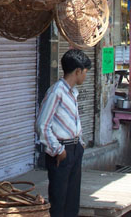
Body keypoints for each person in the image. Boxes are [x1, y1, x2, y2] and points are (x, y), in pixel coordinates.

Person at [36, 49, 91, 217]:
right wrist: (58, 150)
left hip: (74, 149)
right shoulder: (56, 92)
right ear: (78, 71)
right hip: (62, 151)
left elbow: (73, 122)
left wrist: (79, 143)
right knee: (59, 200)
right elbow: (42, 124)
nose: (85, 76)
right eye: (85, 72)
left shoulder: (72, 92)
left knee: (72, 200)